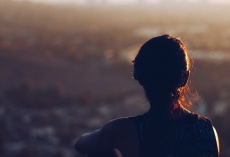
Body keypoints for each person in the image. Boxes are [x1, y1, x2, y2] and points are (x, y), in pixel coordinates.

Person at [74, 34, 220, 157]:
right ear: (185, 78)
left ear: (140, 77)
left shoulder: (125, 131)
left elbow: (80, 144)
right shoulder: (207, 131)